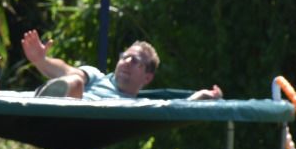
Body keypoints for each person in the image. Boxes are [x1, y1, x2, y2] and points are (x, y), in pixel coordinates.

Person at [20, 30, 223, 101]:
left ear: (147, 77)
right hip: (68, 108)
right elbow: (66, 70)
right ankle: (49, 100)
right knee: (75, 80)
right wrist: (41, 60)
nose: (126, 62)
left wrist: (203, 96)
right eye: (124, 56)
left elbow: (178, 108)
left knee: (76, 84)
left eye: (135, 61)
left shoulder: (138, 106)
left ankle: (52, 101)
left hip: (83, 123)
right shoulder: (96, 76)